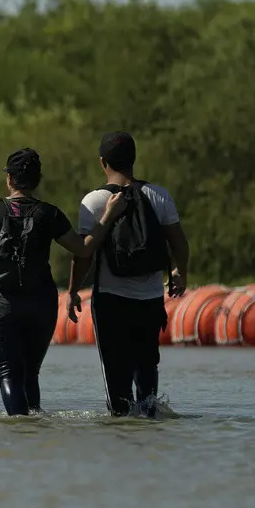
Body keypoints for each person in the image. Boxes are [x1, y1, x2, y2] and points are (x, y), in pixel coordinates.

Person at [0, 148, 127, 416]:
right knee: (30, 375)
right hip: (42, 303)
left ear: (9, 179)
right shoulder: (49, 214)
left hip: (0, 303)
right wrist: (108, 215)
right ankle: (35, 427)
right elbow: (83, 249)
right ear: (37, 179)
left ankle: (19, 428)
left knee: (9, 374)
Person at [67, 132, 190, 417]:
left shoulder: (95, 200)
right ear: (134, 159)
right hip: (149, 299)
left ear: (102, 162)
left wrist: (73, 291)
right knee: (147, 368)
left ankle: (122, 429)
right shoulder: (158, 195)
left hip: (111, 300)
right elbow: (180, 243)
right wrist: (180, 273)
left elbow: (84, 253)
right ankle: (149, 419)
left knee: (116, 373)